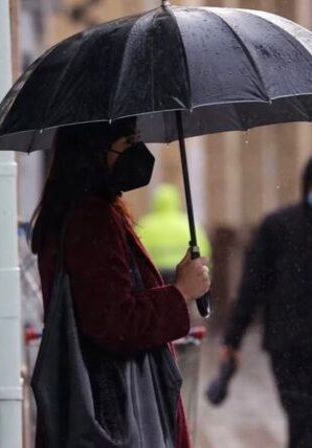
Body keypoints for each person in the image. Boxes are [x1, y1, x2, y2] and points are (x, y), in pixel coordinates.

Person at [32, 118, 211, 448]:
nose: (138, 151)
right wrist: (180, 292)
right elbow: (115, 322)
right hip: (116, 409)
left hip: (105, 402)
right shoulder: (91, 219)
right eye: (128, 142)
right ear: (94, 150)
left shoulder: (77, 213)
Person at [219, 157, 312, 448]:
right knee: (302, 423)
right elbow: (252, 288)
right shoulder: (278, 227)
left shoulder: (279, 225)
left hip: (287, 341)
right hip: (291, 346)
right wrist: (232, 339)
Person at [137, 183, 212, 283]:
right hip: (184, 274)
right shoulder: (187, 224)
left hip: (155, 274)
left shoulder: (145, 224)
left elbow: (136, 252)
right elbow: (203, 250)